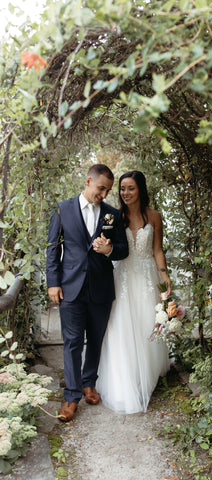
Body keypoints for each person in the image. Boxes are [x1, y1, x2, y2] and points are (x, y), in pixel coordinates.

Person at [46, 164, 129, 422]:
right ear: (88, 181)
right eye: (101, 188)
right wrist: (53, 282)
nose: (104, 194)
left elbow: (123, 249)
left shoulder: (112, 214)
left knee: (95, 338)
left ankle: (88, 383)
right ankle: (71, 398)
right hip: (70, 287)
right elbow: (51, 249)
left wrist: (108, 250)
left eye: (108, 190)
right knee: (71, 342)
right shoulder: (63, 209)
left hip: (101, 287)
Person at [94, 170, 171, 414]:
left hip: (147, 276)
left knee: (146, 323)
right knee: (121, 326)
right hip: (124, 276)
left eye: (131, 188)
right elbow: (109, 244)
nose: (125, 193)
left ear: (141, 190)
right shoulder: (114, 216)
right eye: (122, 189)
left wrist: (164, 276)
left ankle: (146, 375)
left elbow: (158, 250)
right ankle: (125, 379)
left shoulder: (155, 216)